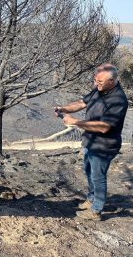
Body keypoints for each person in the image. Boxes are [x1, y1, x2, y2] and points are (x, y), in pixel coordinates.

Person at [54, 63, 128, 221]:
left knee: (98, 176)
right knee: (89, 172)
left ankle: (96, 210)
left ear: (112, 81)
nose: (96, 84)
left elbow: (104, 127)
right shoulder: (100, 90)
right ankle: (92, 198)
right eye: (95, 80)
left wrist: (75, 122)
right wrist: (64, 109)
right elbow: (82, 103)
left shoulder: (118, 100)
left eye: (100, 82)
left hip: (104, 146)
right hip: (91, 142)